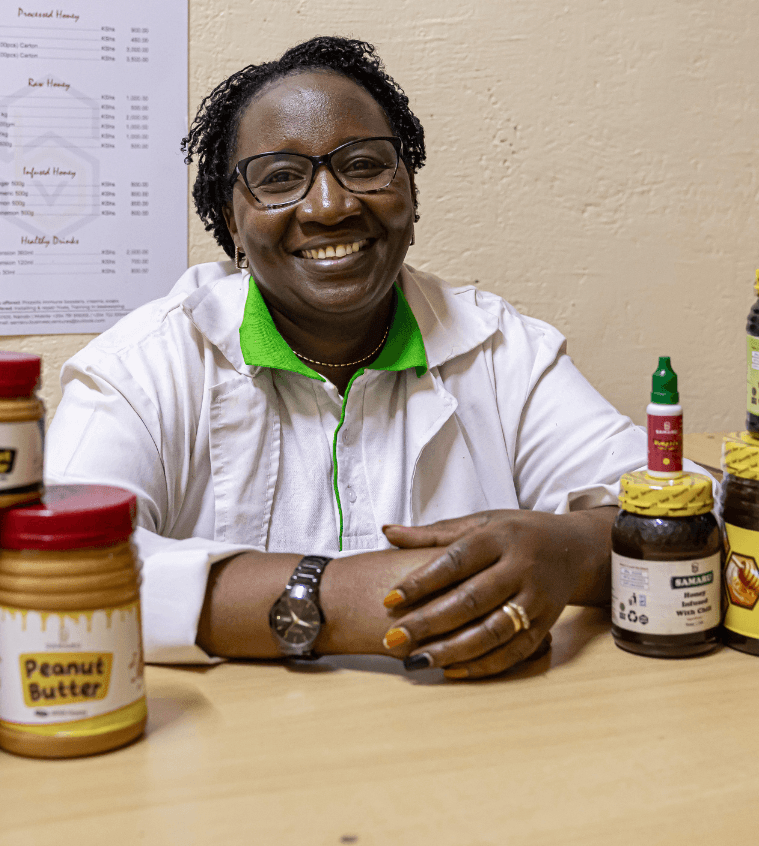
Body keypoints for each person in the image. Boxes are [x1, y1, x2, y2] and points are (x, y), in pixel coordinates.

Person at [46, 36, 649, 679]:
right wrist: (336, 599)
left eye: (363, 165)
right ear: (231, 219)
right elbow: (56, 569)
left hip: (469, 747)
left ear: (409, 193)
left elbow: (685, 502)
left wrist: (572, 552)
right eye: (280, 179)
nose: (331, 205)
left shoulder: (500, 348)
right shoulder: (141, 369)